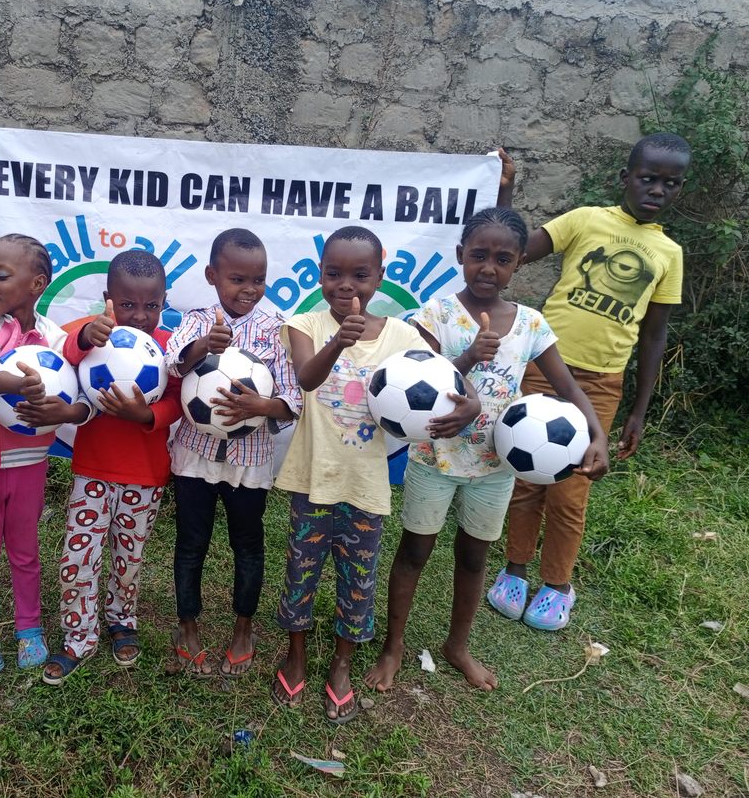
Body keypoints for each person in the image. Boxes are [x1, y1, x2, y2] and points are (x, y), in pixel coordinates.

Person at [363, 208, 608, 693]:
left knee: (474, 558)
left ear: (519, 263)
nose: (488, 268)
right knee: (414, 552)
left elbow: (568, 388)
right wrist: (469, 356)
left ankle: (458, 646)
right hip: (435, 459)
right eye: (478, 255)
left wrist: (597, 434)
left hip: (495, 469)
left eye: (503, 259)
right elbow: (420, 377)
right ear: (460, 255)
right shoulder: (435, 314)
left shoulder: (531, 324)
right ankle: (394, 646)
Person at [270, 226, 480, 723]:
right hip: (311, 478)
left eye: (360, 275)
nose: (346, 285)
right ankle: (296, 653)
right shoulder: (304, 324)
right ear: (320, 275)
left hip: (366, 485)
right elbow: (306, 379)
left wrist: (469, 402)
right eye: (333, 273)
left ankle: (342, 661)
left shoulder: (401, 337)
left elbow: (442, 377)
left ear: (379, 277)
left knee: (358, 579)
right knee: (301, 570)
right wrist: (338, 342)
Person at [490, 134, 690, 630]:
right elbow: (515, 251)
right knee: (527, 474)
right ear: (626, 178)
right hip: (543, 366)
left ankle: (557, 584)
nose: (657, 190)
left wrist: (638, 410)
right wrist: (504, 191)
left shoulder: (668, 252)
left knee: (572, 486)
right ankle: (515, 570)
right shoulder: (585, 220)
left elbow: (654, 335)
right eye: (648, 178)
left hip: (600, 384)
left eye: (670, 184)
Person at [165, 228, 303, 678]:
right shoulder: (198, 320)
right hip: (195, 455)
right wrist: (205, 346)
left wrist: (261, 406)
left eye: (258, 280)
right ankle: (187, 626)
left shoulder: (276, 328)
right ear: (212, 276)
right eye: (237, 279)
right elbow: (172, 363)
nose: (249, 289)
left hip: (251, 459)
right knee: (191, 543)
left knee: (248, 544)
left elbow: (293, 398)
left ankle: (244, 629)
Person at [42, 250, 183, 684]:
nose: (139, 315)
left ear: (164, 302)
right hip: (93, 471)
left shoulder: (168, 347)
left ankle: (122, 619)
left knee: (129, 556)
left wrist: (147, 416)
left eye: (151, 305)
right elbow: (65, 354)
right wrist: (86, 336)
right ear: (108, 299)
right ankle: (78, 636)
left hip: (146, 475)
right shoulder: (95, 336)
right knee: (78, 555)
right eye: (127, 304)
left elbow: (178, 400)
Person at [0, 234, 91, 675]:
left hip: (30, 462)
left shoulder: (53, 338)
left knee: (25, 549)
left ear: (37, 284)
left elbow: (78, 390)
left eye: (1, 275)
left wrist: (67, 410)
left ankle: (29, 627)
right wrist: (16, 384)